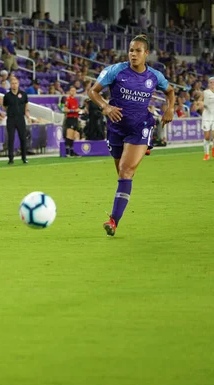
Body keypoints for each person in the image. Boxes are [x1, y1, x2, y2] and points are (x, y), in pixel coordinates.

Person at [87, 35, 175, 236]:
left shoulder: (154, 76)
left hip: (140, 127)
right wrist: (106, 107)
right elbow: (93, 92)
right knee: (122, 173)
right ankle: (140, 151)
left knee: (126, 171)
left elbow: (170, 91)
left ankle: (113, 221)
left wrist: (170, 109)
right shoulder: (115, 71)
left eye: (137, 51)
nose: (133, 54)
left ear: (146, 53)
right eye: (130, 50)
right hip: (116, 128)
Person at [3, 76, 29, 164]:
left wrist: (26, 113)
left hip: (20, 118)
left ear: (18, 84)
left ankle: (24, 157)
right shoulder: (7, 96)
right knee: (11, 138)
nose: (14, 85)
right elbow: (5, 106)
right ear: (10, 85)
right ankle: (11, 158)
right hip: (11, 118)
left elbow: (26, 104)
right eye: (12, 83)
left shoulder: (23, 94)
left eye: (15, 83)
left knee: (23, 138)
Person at [197, 76, 214, 160]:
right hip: (206, 116)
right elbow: (199, 101)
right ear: (208, 84)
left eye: (213, 82)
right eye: (211, 83)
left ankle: (213, 150)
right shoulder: (205, 92)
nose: (212, 84)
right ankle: (206, 153)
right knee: (207, 137)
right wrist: (200, 103)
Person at [62, 86, 81, 157]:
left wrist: (79, 110)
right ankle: (67, 152)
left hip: (75, 118)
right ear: (69, 91)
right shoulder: (68, 100)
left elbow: (77, 108)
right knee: (69, 135)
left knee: (73, 135)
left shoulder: (75, 100)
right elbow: (65, 109)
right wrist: (73, 110)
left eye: (74, 91)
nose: (73, 92)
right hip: (70, 118)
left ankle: (72, 151)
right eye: (72, 90)